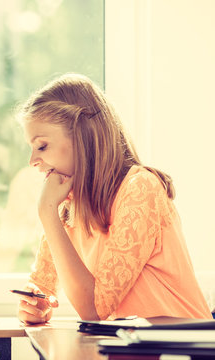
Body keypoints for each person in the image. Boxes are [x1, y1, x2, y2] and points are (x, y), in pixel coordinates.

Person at [15, 73, 212, 324]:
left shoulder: (140, 188)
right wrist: (35, 305)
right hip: (131, 346)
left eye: (41, 146)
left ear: (82, 137)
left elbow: (95, 309)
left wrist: (47, 212)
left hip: (181, 347)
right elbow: (41, 286)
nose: (32, 161)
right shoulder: (68, 206)